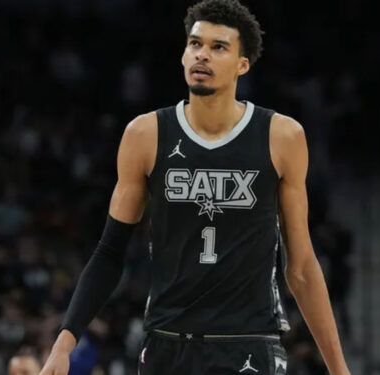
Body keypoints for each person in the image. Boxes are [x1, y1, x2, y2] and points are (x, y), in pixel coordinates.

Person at [40, 1, 350, 374]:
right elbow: (109, 252)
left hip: (248, 343)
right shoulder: (146, 134)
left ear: (242, 64)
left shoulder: (281, 136)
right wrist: (64, 341)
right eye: (194, 44)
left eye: (218, 47)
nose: (202, 54)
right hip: (167, 343)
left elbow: (299, 266)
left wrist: (338, 369)